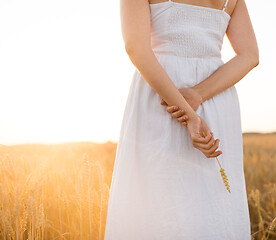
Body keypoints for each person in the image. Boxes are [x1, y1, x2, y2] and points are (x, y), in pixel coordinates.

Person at [104, 0, 259, 238]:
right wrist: (197, 95)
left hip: (161, 94)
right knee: (212, 200)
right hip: (215, 95)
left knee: (156, 201)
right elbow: (249, 56)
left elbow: (136, 47)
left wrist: (184, 108)